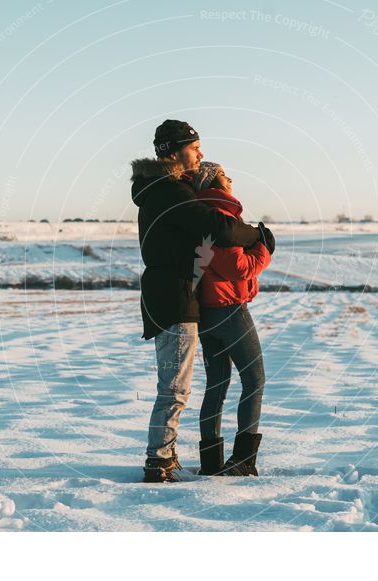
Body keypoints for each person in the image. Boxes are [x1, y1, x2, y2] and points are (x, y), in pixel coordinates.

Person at [131, 120, 262, 483]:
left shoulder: (163, 189)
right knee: (175, 387)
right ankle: (158, 461)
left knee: (183, 385)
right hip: (174, 297)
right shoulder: (167, 191)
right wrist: (260, 236)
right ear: (175, 152)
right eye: (195, 147)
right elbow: (219, 227)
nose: (201, 153)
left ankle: (167, 455)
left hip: (174, 295)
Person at [191, 162, 275, 477]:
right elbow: (238, 268)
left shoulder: (199, 217)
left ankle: (211, 463)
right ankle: (242, 462)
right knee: (255, 381)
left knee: (217, 385)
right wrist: (264, 249)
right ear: (215, 182)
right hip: (229, 310)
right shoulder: (220, 217)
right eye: (225, 174)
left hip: (206, 313)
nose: (231, 178)